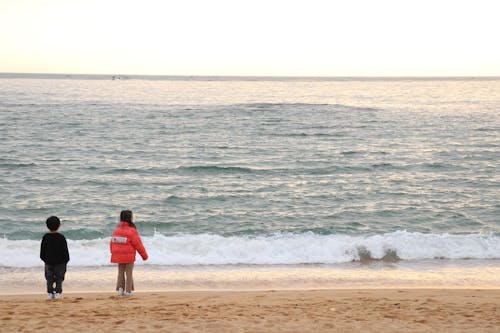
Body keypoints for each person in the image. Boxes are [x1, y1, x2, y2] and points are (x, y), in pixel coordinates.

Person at [110, 210, 148, 296]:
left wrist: (113, 252)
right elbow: (138, 244)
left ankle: (120, 290)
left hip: (118, 256)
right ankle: (128, 291)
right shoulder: (132, 231)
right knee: (129, 273)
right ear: (129, 218)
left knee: (120, 272)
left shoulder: (117, 230)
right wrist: (144, 256)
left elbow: (112, 242)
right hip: (129, 256)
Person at [40, 216, 70, 300]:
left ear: (47, 226)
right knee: (59, 278)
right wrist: (66, 260)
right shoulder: (61, 237)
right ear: (59, 225)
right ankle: (58, 293)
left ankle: (50, 293)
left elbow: (42, 251)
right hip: (61, 262)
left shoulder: (45, 237)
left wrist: (44, 259)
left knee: (49, 278)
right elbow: (65, 251)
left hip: (48, 262)